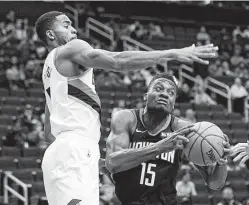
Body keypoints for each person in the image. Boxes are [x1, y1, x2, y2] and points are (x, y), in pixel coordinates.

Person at [36, 11, 218, 205]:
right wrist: (171, 54)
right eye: (66, 25)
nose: (73, 29)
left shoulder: (49, 71)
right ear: (50, 34)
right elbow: (117, 61)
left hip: (66, 154)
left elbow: (49, 133)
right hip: (74, 151)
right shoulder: (72, 48)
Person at [105, 73, 230, 205]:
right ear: (146, 95)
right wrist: (160, 147)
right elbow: (112, 163)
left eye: (171, 92)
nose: (164, 94)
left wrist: (221, 162)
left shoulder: (184, 129)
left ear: (174, 103)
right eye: (158, 89)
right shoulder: (126, 119)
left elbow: (214, 183)